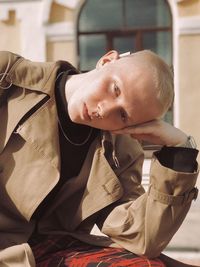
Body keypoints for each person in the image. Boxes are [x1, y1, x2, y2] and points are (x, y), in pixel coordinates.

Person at [0, 49, 198, 267]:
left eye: (123, 115)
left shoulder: (120, 150)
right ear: (105, 61)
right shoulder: (8, 77)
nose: (104, 110)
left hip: (47, 252)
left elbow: (142, 237)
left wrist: (180, 150)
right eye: (115, 89)